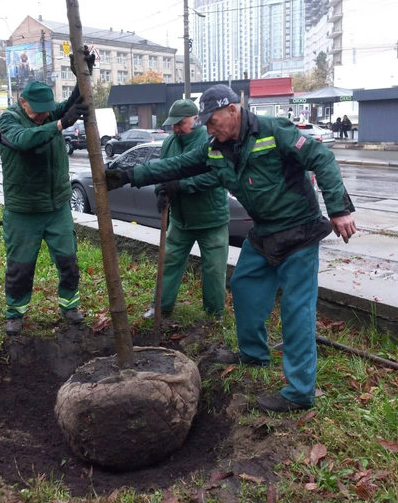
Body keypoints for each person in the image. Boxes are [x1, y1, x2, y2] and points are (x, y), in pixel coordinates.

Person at [105, 84, 356, 413]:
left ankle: (299, 391)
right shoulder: (215, 148)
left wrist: (338, 209)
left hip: (299, 231)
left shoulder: (273, 131)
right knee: (243, 284)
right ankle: (253, 354)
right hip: (264, 231)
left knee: (296, 309)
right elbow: (177, 165)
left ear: (233, 110)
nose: (209, 129)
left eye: (213, 122)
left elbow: (320, 157)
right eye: (206, 124)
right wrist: (129, 175)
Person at [0, 51, 94, 337]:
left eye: (46, 110)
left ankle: (70, 305)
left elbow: (74, 103)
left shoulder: (49, 113)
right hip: (24, 211)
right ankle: (15, 313)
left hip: (57, 206)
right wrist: (61, 123)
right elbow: (25, 141)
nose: (43, 115)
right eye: (36, 110)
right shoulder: (9, 122)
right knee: (21, 267)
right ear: (22, 102)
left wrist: (83, 73)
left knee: (68, 260)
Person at [142, 99, 230, 321]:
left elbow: (213, 178)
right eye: (173, 124)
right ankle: (160, 307)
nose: (176, 128)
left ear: (195, 119)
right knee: (169, 262)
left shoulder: (210, 141)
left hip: (211, 220)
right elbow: (161, 172)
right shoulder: (169, 143)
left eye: (180, 123)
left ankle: (214, 314)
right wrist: (160, 191)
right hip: (180, 220)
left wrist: (180, 186)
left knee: (213, 269)